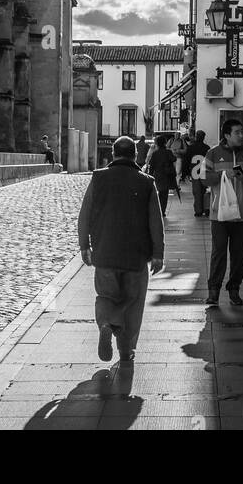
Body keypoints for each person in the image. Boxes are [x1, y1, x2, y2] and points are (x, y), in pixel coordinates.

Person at [77, 135, 165, 364]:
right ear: (135, 155)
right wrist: (158, 254)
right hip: (136, 257)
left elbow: (84, 215)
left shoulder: (98, 178)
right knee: (133, 303)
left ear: (113, 154)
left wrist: (84, 246)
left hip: (105, 252)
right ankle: (126, 350)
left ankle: (106, 323)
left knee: (106, 296)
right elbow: (155, 220)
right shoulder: (146, 181)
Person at [203, 118, 243, 307]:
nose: (241, 135)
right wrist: (222, 175)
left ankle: (234, 289)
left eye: (241, 132)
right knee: (218, 253)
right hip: (219, 214)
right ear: (227, 135)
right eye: (237, 132)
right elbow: (204, 178)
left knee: (239, 255)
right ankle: (213, 292)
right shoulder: (213, 154)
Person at [144, 132, 178, 215]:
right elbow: (174, 159)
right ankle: (162, 211)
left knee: (159, 193)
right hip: (166, 175)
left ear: (157, 143)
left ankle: (158, 209)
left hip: (158, 176)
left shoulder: (155, 153)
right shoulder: (168, 152)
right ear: (165, 143)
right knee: (164, 194)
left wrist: (150, 176)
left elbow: (152, 166)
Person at [189, 128, 211, 217]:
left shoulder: (191, 147)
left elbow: (187, 160)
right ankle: (207, 209)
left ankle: (198, 211)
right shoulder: (207, 148)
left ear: (196, 137)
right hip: (205, 171)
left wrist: (186, 172)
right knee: (206, 191)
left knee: (197, 192)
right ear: (203, 138)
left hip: (195, 172)